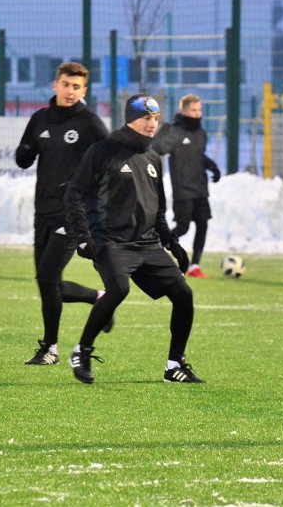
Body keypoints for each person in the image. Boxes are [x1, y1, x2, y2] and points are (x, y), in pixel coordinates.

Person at [64, 94, 204, 385]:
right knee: (118, 289)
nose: (152, 124)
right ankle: (82, 350)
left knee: (184, 295)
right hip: (111, 241)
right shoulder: (102, 152)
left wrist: (171, 241)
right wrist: (82, 236)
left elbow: (158, 206)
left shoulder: (153, 157)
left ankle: (174, 365)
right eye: (146, 118)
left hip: (147, 243)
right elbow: (74, 194)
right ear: (130, 119)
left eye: (155, 118)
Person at [15, 62, 110, 366]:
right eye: (66, 85)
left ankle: (50, 348)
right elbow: (23, 158)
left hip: (72, 214)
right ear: (55, 85)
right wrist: (25, 151)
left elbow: (110, 163)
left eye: (77, 87)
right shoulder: (39, 119)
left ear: (84, 90)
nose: (70, 91)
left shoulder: (90, 124)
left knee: (47, 276)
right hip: (42, 210)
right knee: (46, 282)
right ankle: (97, 297)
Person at [152, 93, 221, 279]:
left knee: (203, 225)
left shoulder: (200, 133)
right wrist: (163, 130)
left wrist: (212, 166)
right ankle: (152, 248)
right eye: (193, 110)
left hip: (200, 188)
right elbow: (154, 148)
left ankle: (195, 266)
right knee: (182, 227)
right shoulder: (174, 132)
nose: (198, 114)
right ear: (183, 110)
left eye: (199, 110)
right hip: (183, 189)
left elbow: (197, 156)